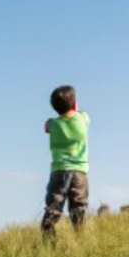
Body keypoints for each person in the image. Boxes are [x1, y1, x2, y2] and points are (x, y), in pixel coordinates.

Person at [41, 85, 90, 237]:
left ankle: (48, 240)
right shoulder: (82, 119)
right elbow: (79, 114)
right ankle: (80, 238)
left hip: (58, 172)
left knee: (53, 207)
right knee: (78, 207)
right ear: (74, 103)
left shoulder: (53, 124)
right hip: (78, 172)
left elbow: (46, 127)